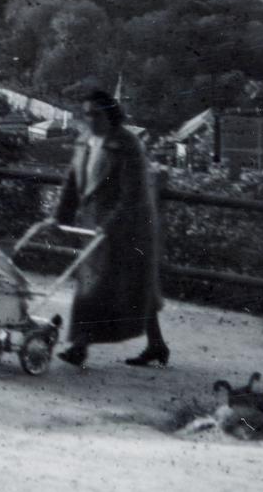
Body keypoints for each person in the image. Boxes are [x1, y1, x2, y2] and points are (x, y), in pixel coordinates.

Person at [52, 90, 169, 368]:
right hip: (96, 224)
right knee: (132, 287)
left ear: (110, 115)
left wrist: (109, 225)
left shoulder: (126, 144)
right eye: (87, 114)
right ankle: (157, 345)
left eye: (97, 114)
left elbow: (132, 195)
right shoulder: (84, 141)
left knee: (103, 286)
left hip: (128, 226)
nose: (90, 119)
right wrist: (59, 217)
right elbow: (72, 182)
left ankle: (80, 346)